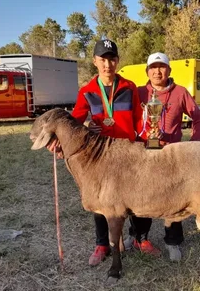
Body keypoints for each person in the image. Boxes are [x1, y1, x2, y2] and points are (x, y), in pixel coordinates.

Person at [47, 39, 144, 266]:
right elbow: (75, 121)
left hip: (128, 151)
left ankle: (138, 238)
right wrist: (58, 140)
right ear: (94, 61)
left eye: (112, 59)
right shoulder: (87, 91)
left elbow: (140, 118)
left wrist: (145, 143)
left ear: (118, 61)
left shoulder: (130, 87)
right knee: (101, 199)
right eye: (102, 59)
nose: (107, 64)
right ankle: (103, 244)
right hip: (100, 154)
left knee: (136, 195)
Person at [124, 52, 200, 261]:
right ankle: (138, 237)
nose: (157, 71)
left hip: (171, 156)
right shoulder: (139, 93)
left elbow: (199, 119)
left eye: (162, 67)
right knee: (140, 198)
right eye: (153, 67)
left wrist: (192, 144)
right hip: (143, 155)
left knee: (174, 199)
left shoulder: (180, 93)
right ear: (147, 71)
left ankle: (173, 242)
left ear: (169, 70)